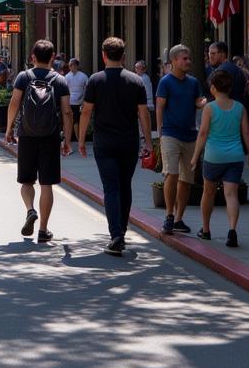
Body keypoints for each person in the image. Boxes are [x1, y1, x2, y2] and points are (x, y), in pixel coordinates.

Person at [78, 37, 151, 257]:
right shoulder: (136, 80)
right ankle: (122, 230)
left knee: (111, 187)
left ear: (103, 55)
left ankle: (115, 235)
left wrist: (80, 139)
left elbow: (87, 112)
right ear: (123, 56)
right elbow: (143, 114)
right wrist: (148, 141)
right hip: (128, 141)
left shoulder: (95, 80)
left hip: (104, 141)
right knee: (125, 185)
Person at [5, 40, 73, 244]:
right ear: (53, 57)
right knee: (47, 184)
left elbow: (14, 103)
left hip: (26, 135)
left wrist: (9, 129)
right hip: (50, 137)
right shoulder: (60, 80)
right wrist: (67, 139)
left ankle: (30, 209)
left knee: (26, 181)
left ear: (32, 57)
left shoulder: (24, 77)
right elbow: (67, 112)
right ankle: (43, 230)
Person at [191, 70, 249, 247]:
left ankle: (205, 230)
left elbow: (203, 133)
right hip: (235, 156)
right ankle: (232, 230)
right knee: (231, 195)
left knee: (208, 192)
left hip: (213, 156)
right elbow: (247, 132)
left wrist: (196, 155)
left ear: (213, 88)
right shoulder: (239, 107)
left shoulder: (209, 108)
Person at [155, 44, 206, 235]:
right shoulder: (165, 82)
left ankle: (179, 219)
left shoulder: (193, 82)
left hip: (190, 135)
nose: (188, 61)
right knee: (171, 173)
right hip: (170, 134)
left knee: (186, 179)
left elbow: (197, 101)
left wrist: (202, 103)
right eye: (184, 58)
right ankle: (169, 215)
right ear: (174, 60)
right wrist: (160, 132)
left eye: (189, 58)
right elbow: (160, 106)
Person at [65, 58, 89, 141]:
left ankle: (78, 138)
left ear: (77, 66)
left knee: (78, 120)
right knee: (74, 120)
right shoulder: (67, 77)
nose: (71, 67)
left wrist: (84, 101)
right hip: (71, 102)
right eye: (70, 65)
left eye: (73, 65)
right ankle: (77, 138)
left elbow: (86, 89)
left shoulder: (83, 76)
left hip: (81, 102)